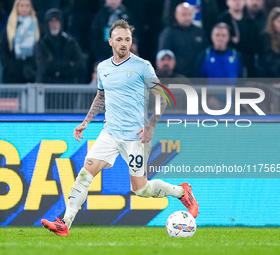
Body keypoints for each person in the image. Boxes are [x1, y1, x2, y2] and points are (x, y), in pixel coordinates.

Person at [40, 19, 199, 236]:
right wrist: (86, 121)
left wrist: (151, 125)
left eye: (127, 39)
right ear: (110, 41)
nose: (124, 43)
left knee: (140, 189)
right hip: (110, 132)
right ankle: (65, 223)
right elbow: (101, 96)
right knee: (86, 172)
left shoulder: (142, 66)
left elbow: (162, 96)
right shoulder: (103, 67)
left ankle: (181, 191)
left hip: (136, 136)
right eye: (119, 39)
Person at [36, 8, 84, 84]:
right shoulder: (41, 43)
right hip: (46, 86)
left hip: (67, 87)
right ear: (47, 24)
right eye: (51, 21)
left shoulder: (70, 42)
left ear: (61, 23)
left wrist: (55, 67)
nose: (54, 24)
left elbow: (80, 65)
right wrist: (67, 64)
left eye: (56, 21)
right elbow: (42, 67)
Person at [158, 3, 208, 77]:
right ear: (176, 15)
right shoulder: (168, 33)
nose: (187, 17)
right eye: (184, 14)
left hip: (198, 76)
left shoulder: (199, 32)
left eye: (189, 14)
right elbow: (164, 56)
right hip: (177, 78)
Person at [0, 0, 39, 83]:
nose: (24, 9)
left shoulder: (36, 24)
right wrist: (8, 65)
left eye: (27, 6)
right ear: (16, 7)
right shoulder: (10, 24)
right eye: (22, 6)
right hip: (13, 68)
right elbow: (2, 46)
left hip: (31, 68)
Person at [258, 7, 280, 78]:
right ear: (272, 22)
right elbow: (264, 61)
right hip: (268, 78)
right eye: (279, 21)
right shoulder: (264, 38)